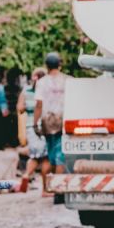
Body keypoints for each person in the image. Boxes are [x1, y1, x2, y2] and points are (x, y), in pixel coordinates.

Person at [34, 52, 70, 198]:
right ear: (60, 64)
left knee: (49, 156)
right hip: (64, 119)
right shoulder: (68, 80)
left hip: (47, 121)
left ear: (46, 66)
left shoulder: (42, 82)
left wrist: (35, 123)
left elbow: (39, 104)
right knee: (61, 154)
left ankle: (47, 189)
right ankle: (59, 189)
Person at [15, 68, 48, 193]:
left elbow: (20, 108)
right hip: (45, 127)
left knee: (35, 154)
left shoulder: (26, 91)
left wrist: (29, 107)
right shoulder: (46, 91)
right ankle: (45, 189)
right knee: (46, 158)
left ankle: (26, 175)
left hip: (30, 127)